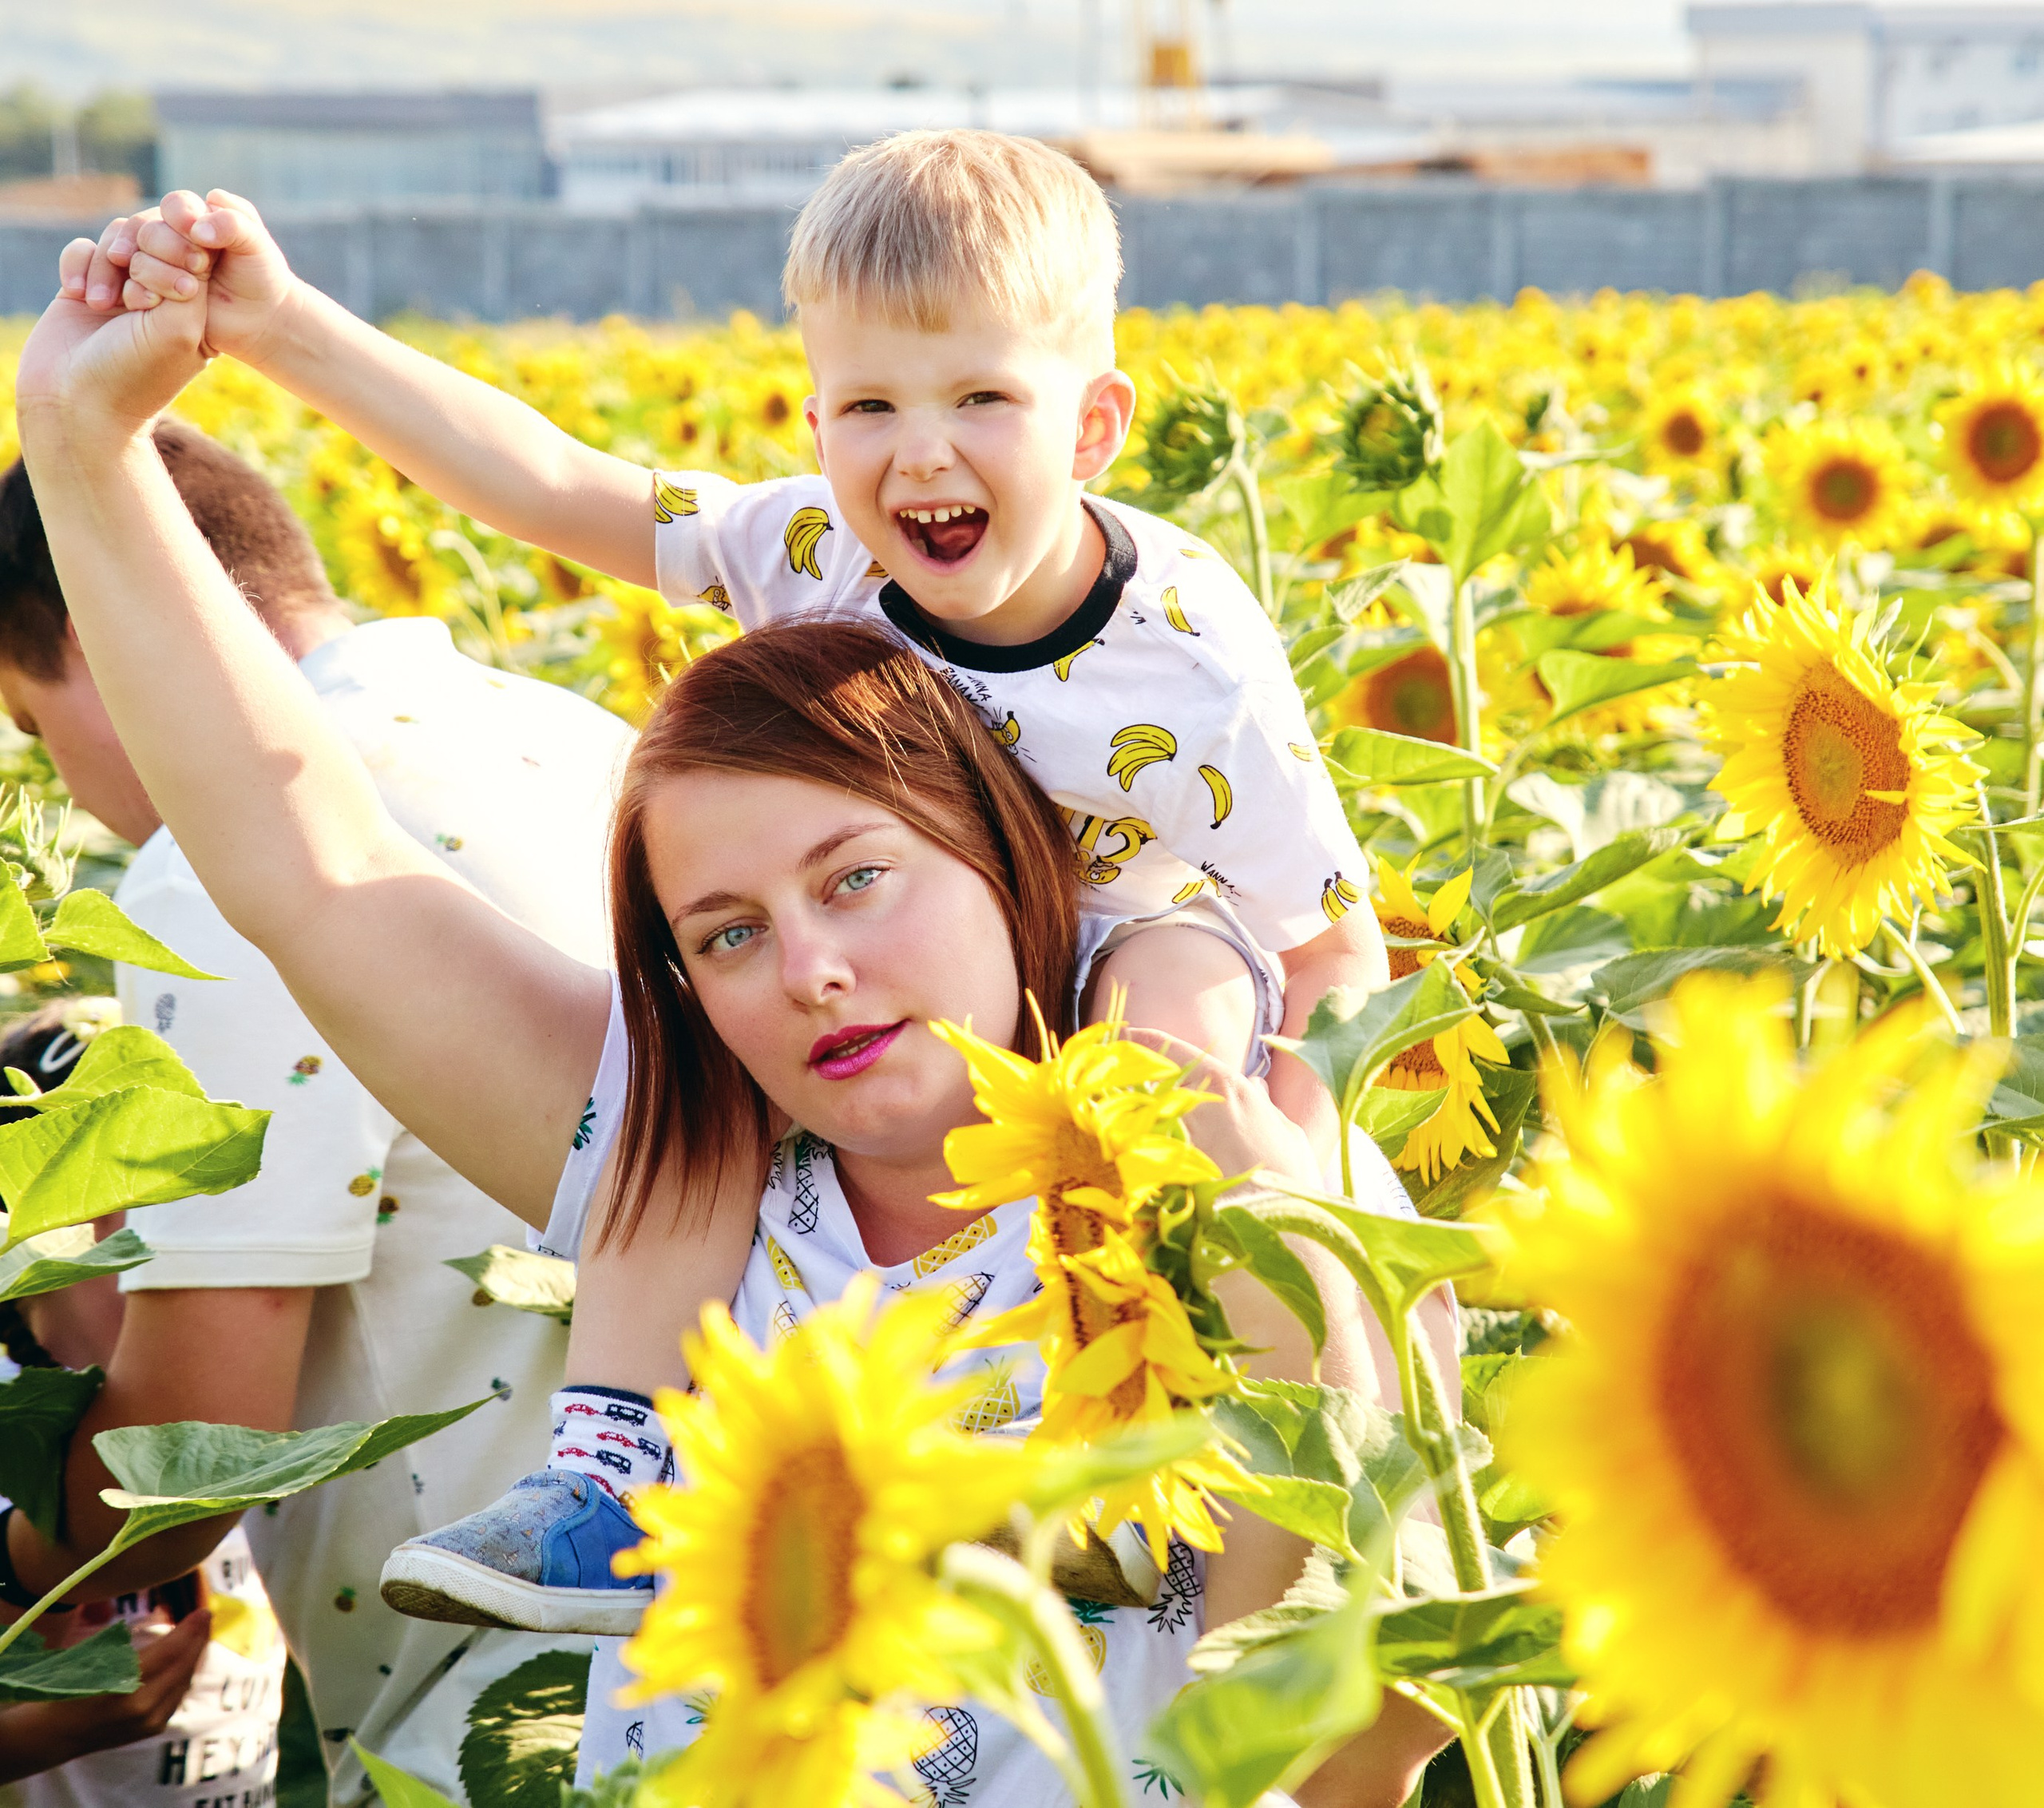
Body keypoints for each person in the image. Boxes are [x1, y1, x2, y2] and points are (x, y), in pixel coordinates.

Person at [14, 262, 1455, 1803]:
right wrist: (81, 438)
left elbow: (1357, 1730)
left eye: (859, 878)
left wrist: (1268, 1226)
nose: (811, 969)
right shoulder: (693, 1175)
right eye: (728, 932)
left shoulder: (1237, 1182)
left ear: (1007, 850)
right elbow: (314, 866)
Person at [0, 421, 639, 1805]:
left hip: (496, 1705)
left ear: (106, 632)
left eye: (37, 726)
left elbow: (195, 1459)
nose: (70, 793)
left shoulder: (223, 866)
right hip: (720, 1629)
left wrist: (23, 1571)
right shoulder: (582, 737)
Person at [0, 1002, 284, 1808]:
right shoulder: (15, 1420)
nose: (153, 1231)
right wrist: (47, 1734)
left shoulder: (250, 1398)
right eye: (113, 1189)